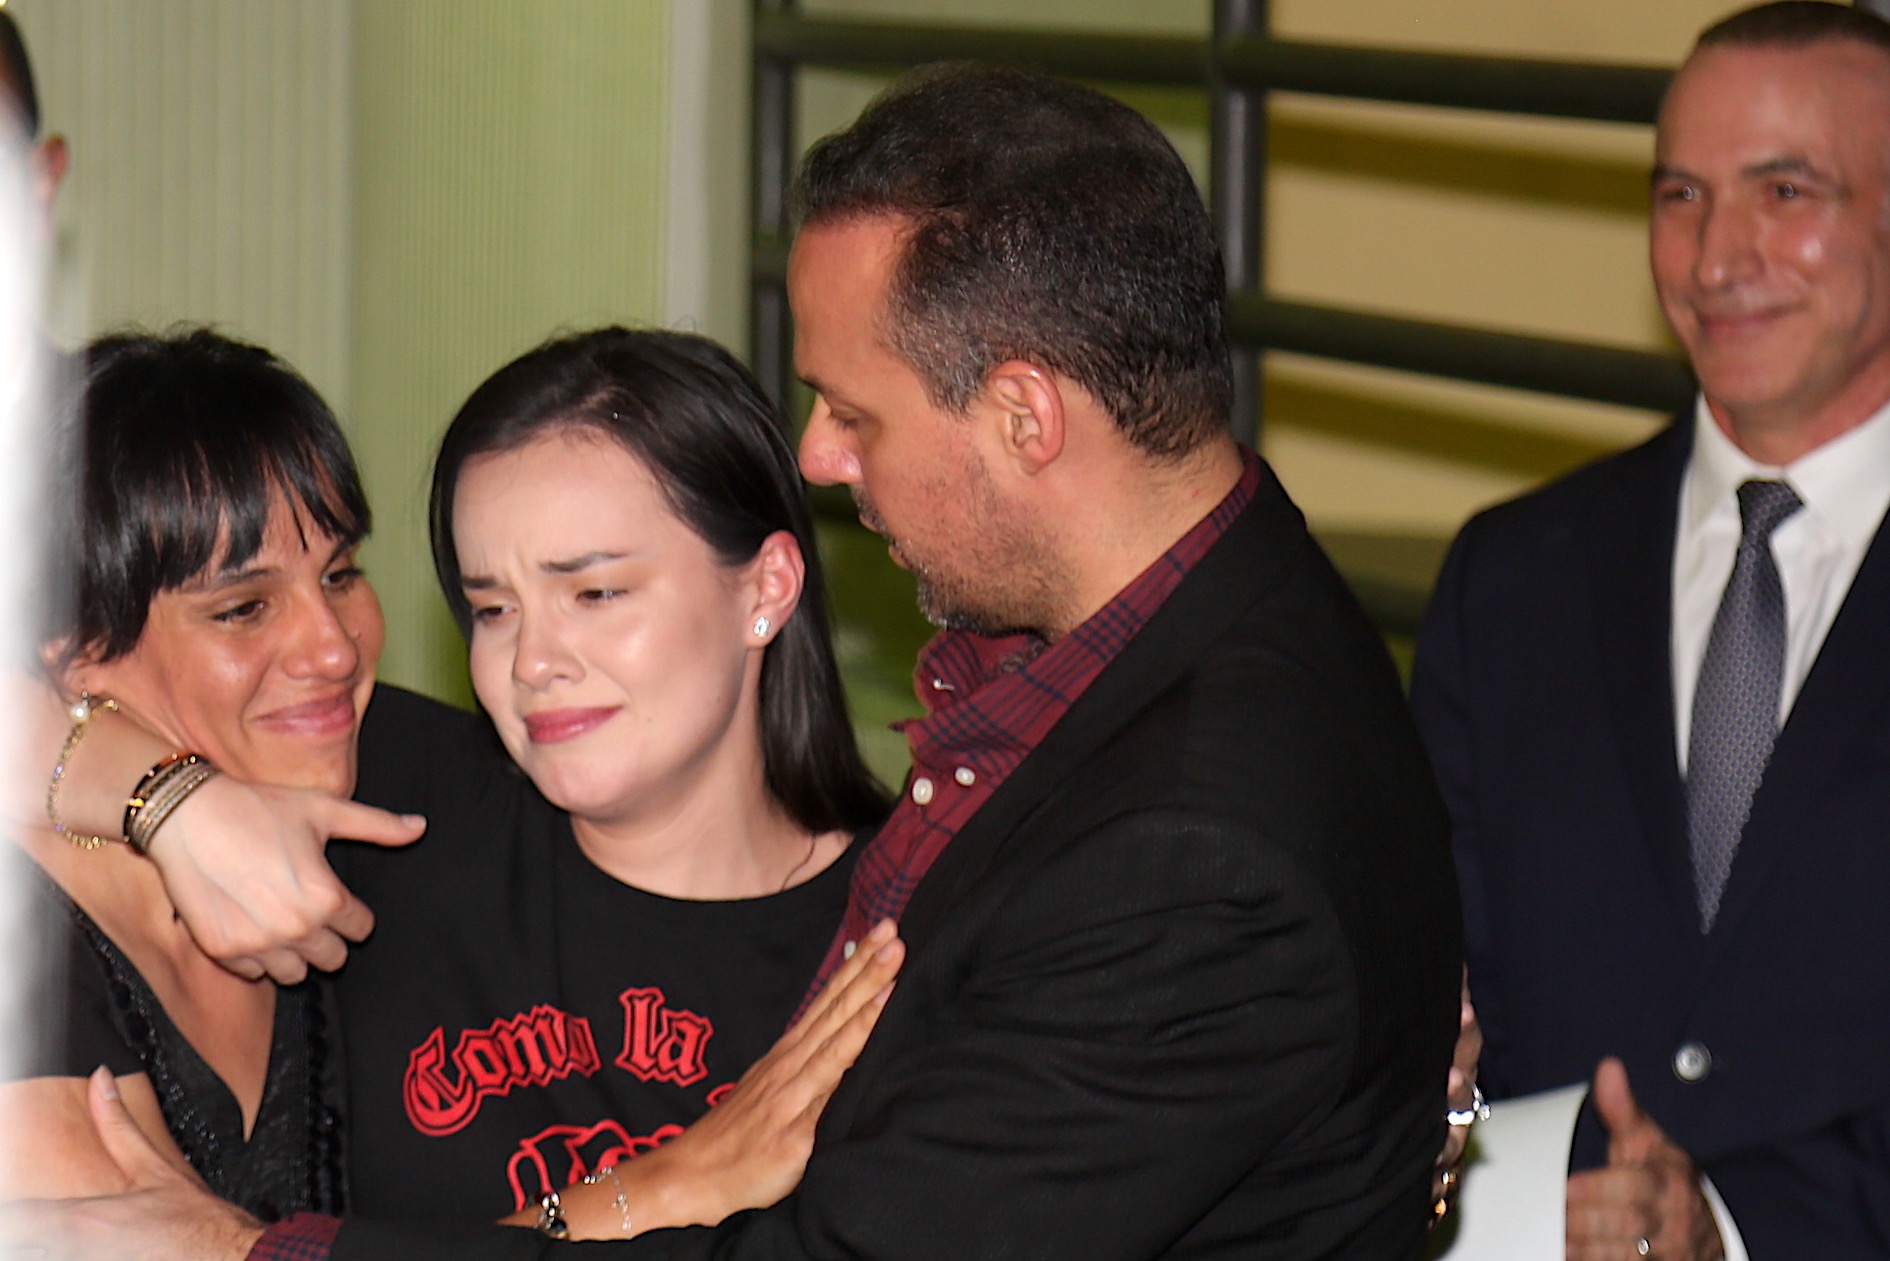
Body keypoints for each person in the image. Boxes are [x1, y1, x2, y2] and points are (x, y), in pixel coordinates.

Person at [14, 65, 1463, 1261]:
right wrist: (153, 793)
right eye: (489, 604)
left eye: (851, 409)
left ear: (1022, 416)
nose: (819, 459)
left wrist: (236, 1252)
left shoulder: (1196, 852)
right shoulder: (390, 788)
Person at [14, 326, 902, 1241]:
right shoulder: (388, 800)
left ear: (766, 587)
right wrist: (174, 803)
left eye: (595, 593)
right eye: (491, 608)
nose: (534, 662)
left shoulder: (899, 932)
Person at [1409, 4, 1890, 1258]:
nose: (1718, 254)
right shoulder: (1509, 581)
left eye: (1787, 189)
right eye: (1681, 194)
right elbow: (1439, 1019)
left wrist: (1733, 1233)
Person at [0, 329, 373, 1218]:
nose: (334, 647)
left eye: (344, 573)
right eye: (243, 608)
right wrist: (632, 1200)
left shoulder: (385, 783)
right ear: (75, 654)